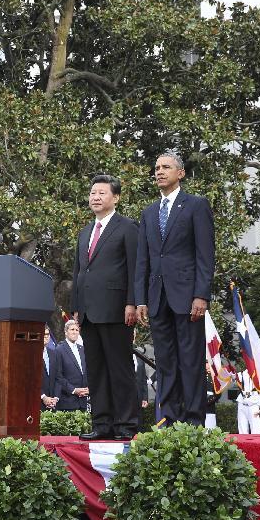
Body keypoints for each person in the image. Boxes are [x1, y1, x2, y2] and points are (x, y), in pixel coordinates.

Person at [135, 151, 215, 426]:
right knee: (165, 361)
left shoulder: (195, 205)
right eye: (156, 167)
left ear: (180, 173)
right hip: (157, 298)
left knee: (191, 361)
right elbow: (143, 260)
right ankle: (169, 418)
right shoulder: (148, 212)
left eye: (166, 167)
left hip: (188, 297)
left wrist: (201, 294)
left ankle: (193, 420)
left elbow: (205, 255)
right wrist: (141, 299)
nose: (159, 171)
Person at [72, 174, 140, 441]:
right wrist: (76, 307)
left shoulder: (127, 227)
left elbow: (135, 269)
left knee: (119, 369)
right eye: (92, 193)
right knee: (96, 370)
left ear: (116, 197)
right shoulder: (85, 231)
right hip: (88, 311)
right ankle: (102, 424)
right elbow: (79, 271)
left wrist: (132, 302)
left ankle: (126, 425)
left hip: (116, 309)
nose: (96, 197)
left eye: (101, 193)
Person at [53, 320, 89, 412]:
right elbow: (58, 376)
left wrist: (88, 389)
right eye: (72, 329)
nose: (75, 332)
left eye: (77, 330)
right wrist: (74, 390)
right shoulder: (59, 350)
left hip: (84, 401)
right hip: (68, 401)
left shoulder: (82, 349)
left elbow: (86, 371)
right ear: (66, 332)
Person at [40, 327, 59, 411]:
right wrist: (43, 397)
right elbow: (29, 379)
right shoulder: (30, 354)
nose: (46, 336)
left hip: (53, 404)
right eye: (43, 334)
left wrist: (55, 398)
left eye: (47, 334)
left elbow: (59, 377)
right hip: (37, 403)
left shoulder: (54, 353)